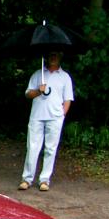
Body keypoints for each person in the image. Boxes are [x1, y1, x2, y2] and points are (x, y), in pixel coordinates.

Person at [20, 50, 73, 192]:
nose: (53, 57)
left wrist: (62, 115)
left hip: (55, 117)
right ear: (47, 57)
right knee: (33, 147)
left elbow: (67, 99)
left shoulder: (65, 77)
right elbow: (28, 93)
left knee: (50, 149)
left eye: (56, 55)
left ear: (60, 57)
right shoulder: (38, 74)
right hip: (37, 116)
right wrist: (39, 90)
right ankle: (27, 178)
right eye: (51, 55)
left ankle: (44, 180)